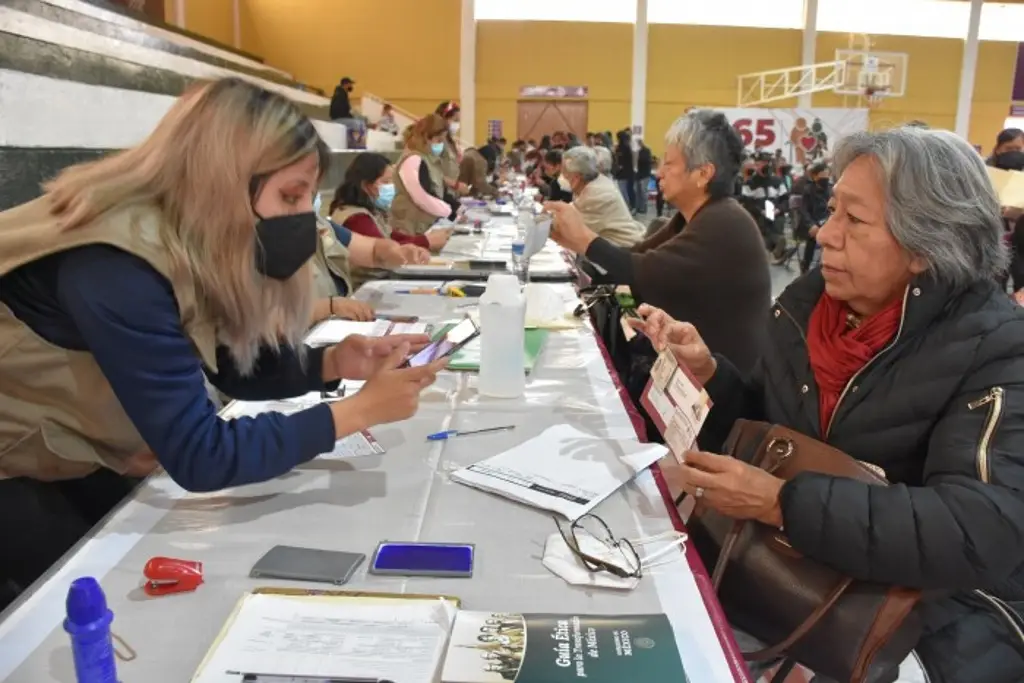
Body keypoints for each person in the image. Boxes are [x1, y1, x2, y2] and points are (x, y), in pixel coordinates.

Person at [0, 78, 445, 604]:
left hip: (52, 443)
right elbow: (200, 456)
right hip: (14, 462)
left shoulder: (181, 235)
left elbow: (226, 363)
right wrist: (356, 412)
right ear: (226, 178)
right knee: (69, 605)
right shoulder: (117, 266)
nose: (304, 216)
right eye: (290, 196)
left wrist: (331, 362)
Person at [639, 126, 1024, 683]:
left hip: (922, 621)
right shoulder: (810, 306)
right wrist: (709, 375)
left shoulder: (994, 347)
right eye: (831, 210)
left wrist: (783, 504)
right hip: (786, 579)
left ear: (924, 246)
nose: (823, 234)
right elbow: (772, 429)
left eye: (854, 220)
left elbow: (978, 527)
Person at [544, 109, 770, 375]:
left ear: (703, 173)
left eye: (669, 163)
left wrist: (583, 239)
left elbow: (639, 272)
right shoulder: (696, 217)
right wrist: (578, 242)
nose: (659, 172)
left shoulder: (726, 224)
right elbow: (634, 259)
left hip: (723, 390)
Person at [325, 153, 442, 290]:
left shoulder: (371, 210)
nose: (391, 187)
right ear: (366, 185)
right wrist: (424, 242)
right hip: (365, 287)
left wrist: (424, 241)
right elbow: (380, 250)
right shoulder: (355, 218)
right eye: (386, 182)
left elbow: (390, 235)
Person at [558, 147, 643, 247]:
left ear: (576, 177)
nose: (561, 176)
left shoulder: (594, 194)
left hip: (623, 251)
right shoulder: (591, 184)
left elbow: (570, 226)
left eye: (564, 173)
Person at [391, 114, 455, 235]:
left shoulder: (429, 159)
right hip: (410, 227)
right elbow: (420, 196)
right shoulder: (412, 159)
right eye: (439, 140)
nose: (441, 145)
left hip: (424, 225)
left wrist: (457, 210)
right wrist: (447, 211)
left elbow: (437, 191)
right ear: (426, 137)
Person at [798, 161, 831, 274]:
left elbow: (832, 210)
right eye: (823, 175)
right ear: (815, 176)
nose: (825, 178)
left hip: (827, 222)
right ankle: (805, 267)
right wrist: (811, 225)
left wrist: (823, 223)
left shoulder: (831, 190)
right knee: (812, 236)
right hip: (811, 224)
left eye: (827, 175)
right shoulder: (808, 190)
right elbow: (804, 210)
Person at [434, 101, 468, 197]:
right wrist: (455, 184)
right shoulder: (438, 142)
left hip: (450, 192)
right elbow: (431, 171)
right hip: (440, 192)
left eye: (458, 121)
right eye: (455, 120)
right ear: (443, 118)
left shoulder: (450, 141)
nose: (457, 124)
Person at [613, 130, 636, 211]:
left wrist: (620, 166)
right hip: (622, 173)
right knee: (623, 191)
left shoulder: (625, 147)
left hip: (625, 173)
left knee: (625, 191)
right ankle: (627, 206)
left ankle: (628, 206)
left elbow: (624, 160)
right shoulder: (621, 147)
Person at [635, 138, 653, 214]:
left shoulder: (646, 150)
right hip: (637, 174)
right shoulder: (635, 151)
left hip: (645, 174)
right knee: (637, 191)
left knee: (643, 191)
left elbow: (645, 160)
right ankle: (638, 207)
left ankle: (644, 207)